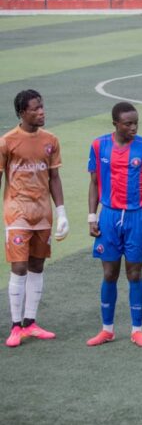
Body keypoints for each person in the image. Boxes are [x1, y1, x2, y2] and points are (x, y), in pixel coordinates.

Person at [85, 102, 142, 348]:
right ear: (115, 124)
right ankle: (107, 330)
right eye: (128, 123)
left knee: (134, 273)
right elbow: (94, 183)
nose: (133, 127)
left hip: (136, 218)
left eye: (136, 123)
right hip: (108, 217)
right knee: (109, 273)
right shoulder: (99, 146)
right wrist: (92, 216)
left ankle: (137, 330)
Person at [1, 89, 68, 348]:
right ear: (22, 113)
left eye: (42, 106)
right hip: (17, 212)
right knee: (19, 267)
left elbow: (54, 177)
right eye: (35, 108)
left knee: (37, 266)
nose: (42, 112)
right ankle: (15, 325)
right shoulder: (7, 142)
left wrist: (61, 211)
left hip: (43, 214)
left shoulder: (50, 140)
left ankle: (31, 322)